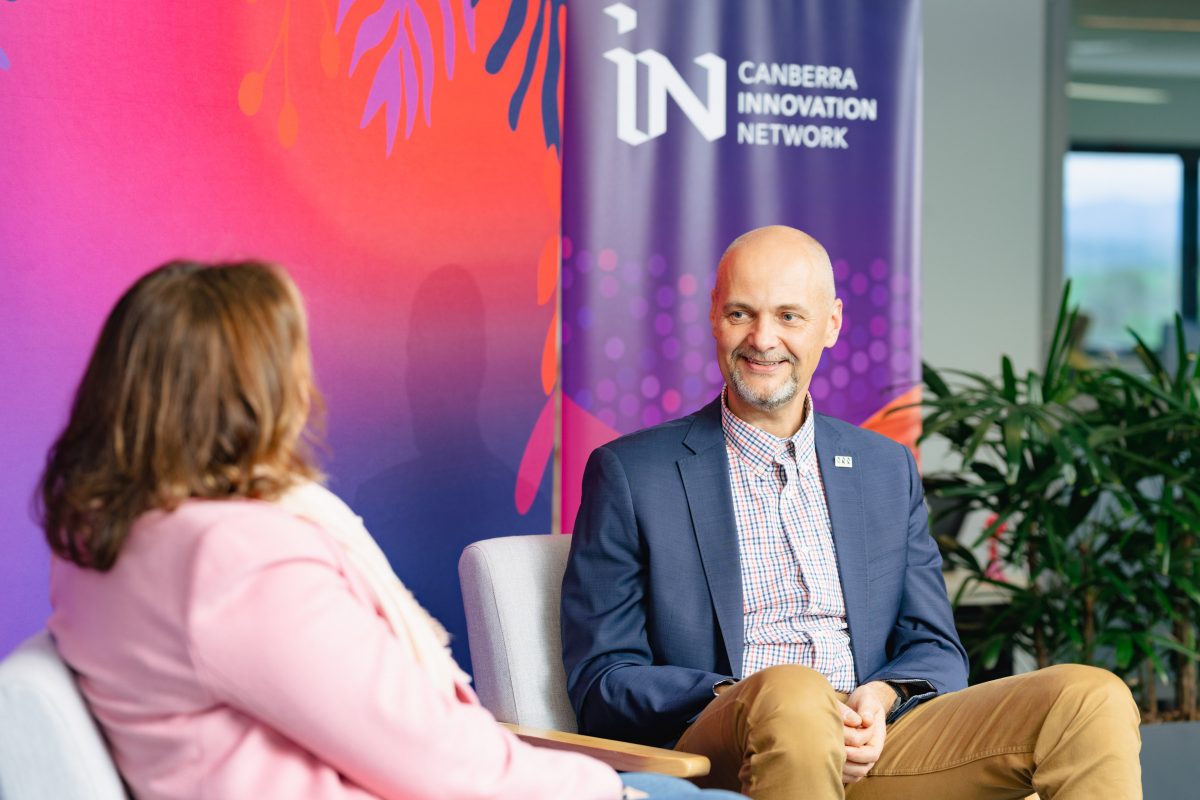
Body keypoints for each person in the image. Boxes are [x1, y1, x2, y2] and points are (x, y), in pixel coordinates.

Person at [41, 260, 744, 800]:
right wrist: (600, 786)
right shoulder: (234, 557)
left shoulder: (105, 544)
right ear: (252, 396)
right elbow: (432, 756)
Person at [561, 226, 1143, 799]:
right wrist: (743, 696)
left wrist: (884, 694)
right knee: (791, 694)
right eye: (741, 313)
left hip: (877, 738)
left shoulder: (884, 467)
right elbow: (603, 681)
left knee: (1090, 698)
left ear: (831, 324)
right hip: (729, 738)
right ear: (714, 316)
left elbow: (935, 646)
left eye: (789, 316)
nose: (763, 338)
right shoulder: (634, 473)